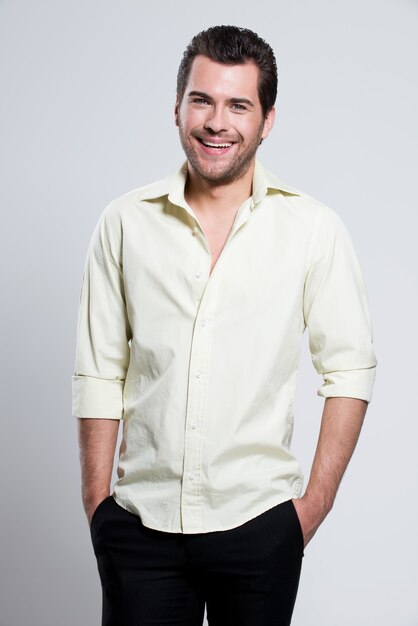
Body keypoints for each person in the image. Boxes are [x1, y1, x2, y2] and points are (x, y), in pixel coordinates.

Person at [72, 25, 377, 626]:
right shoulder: (124, 223)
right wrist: (97, 505)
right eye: (202, 100)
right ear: (178, 106)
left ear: (267, 120)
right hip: (141, 527)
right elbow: (99, 370)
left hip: (259, 526)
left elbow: (350, 370)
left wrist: (310, 509)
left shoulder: (312, 229)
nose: (218, 122)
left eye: (239, 104)